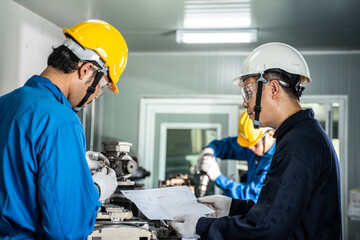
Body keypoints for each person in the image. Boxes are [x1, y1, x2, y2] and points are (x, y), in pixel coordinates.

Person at [170, 42, 342, 239]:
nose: (245, 102)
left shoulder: (298, 145)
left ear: (274, 89)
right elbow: (279, 213)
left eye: (248, 92)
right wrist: (233, 207)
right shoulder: (300, 136)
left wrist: (201, 227)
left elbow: (267, 230)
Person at [0, 20, 128, 239]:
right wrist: (95, 191)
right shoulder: (61, 120)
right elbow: (65, 229)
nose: (97, 94)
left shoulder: (5, 103)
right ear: (87, 70)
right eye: (102, 85)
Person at [198, 110, 275, 201]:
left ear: (270, 134)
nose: (250, 148)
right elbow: (229, 146)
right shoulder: (255, 146)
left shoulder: (276, 161)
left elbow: (252, 195)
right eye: (247, 144)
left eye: (255, 144)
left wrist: (218, 177)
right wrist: (210, 150)